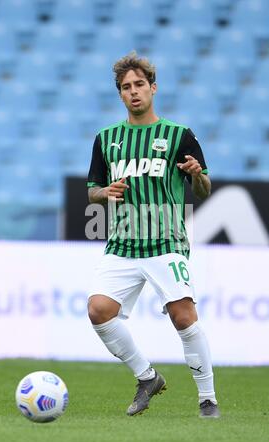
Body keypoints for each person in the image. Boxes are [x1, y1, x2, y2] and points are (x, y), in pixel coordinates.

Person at [87, 51, 220, 418]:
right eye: (126, 87)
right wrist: (104, 192)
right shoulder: (106, 138)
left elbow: (204, 191)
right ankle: (147, 377)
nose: (134, 92)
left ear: (153, 88)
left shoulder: (180, 135)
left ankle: (207, 398)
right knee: (99, 311)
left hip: (166, 243)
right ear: (120, 94)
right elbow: (93, 190)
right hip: (123, 243)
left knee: (183, 316)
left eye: (140, 85)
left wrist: (196, 174)